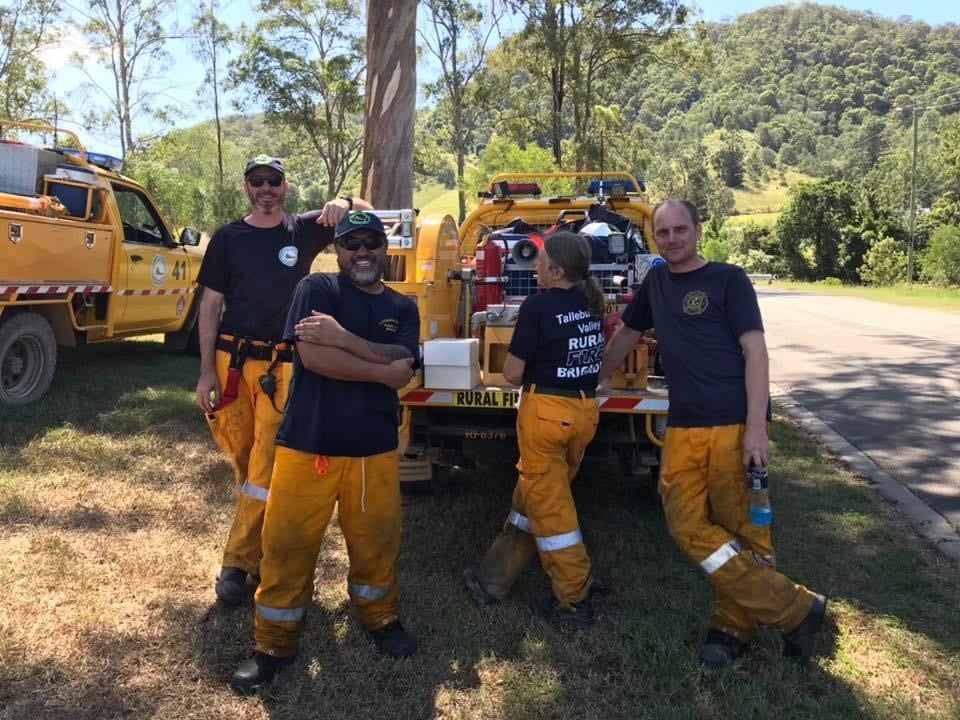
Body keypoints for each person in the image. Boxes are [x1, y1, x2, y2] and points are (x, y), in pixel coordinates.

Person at [599, 199, 826, 669]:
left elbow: (756, 353)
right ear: (654, 239)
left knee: (745, 529)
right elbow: (627, 334)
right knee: (685, 524)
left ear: (698, 231)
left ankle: (731, 628)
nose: (672, 239)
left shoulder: (729, 280)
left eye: (680, 229)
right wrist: (599, 374)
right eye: (663, 233)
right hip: (682, 425)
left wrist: (757, 427)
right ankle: (795, 608)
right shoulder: (656, 282)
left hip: (731, 424)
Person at [230, 211, 421, 694]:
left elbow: (407, 360)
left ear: (385, 248)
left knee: (377, 542)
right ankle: (273, 644)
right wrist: (380, 367)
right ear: (337, 249)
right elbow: (316, 358)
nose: (361, 252)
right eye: (350, 243)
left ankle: (380, 618)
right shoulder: (316, 291)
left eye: (371, 243)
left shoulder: (405, 305)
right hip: (307, 443)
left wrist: (345, 340)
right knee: (288, 546)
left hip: (373, 448)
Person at [194, 154, 373, 605]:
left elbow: (365, 216)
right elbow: (210, 307)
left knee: (264, 467)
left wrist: (343, 199)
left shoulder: (303, 229)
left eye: (274, 180)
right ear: (247, 187)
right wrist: (204, 372)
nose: (266, 188)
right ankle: (258, 549)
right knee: (243, 461)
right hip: (230, 364)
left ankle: (237, 565)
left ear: (285, 187)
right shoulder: (227, 239)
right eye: (258, 181)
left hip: (281, 368)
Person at [463, 230, 605, 629]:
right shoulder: (592, 301)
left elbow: (511, 374)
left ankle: (575, 597)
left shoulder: (538, 308)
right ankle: (493, 579)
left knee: (552, 510)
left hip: (545, 414)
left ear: (556, 270)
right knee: (534, 499)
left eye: (539, 261)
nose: (534, 266)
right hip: (583, 412)